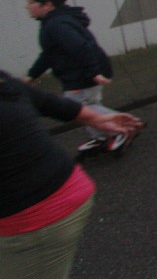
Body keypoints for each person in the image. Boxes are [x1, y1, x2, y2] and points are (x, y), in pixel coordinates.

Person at [0, 70, 142, 278]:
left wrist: (95, 118)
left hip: (35, 216)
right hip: (59, 189)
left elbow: (34, 96)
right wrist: (94, 118)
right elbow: (35, 97)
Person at [22, 0, 136, 156]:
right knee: (89, 105)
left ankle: (120, 130)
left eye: (31, 2)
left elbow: (81, 47)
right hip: (84, 72)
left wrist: (93, 73)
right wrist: (32, 75)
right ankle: (106, 134)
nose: (27, 6)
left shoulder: (56, 25)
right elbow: (49, 53)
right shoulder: (56, 21)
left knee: (78, 108)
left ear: (47, 5)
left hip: (82, 75)